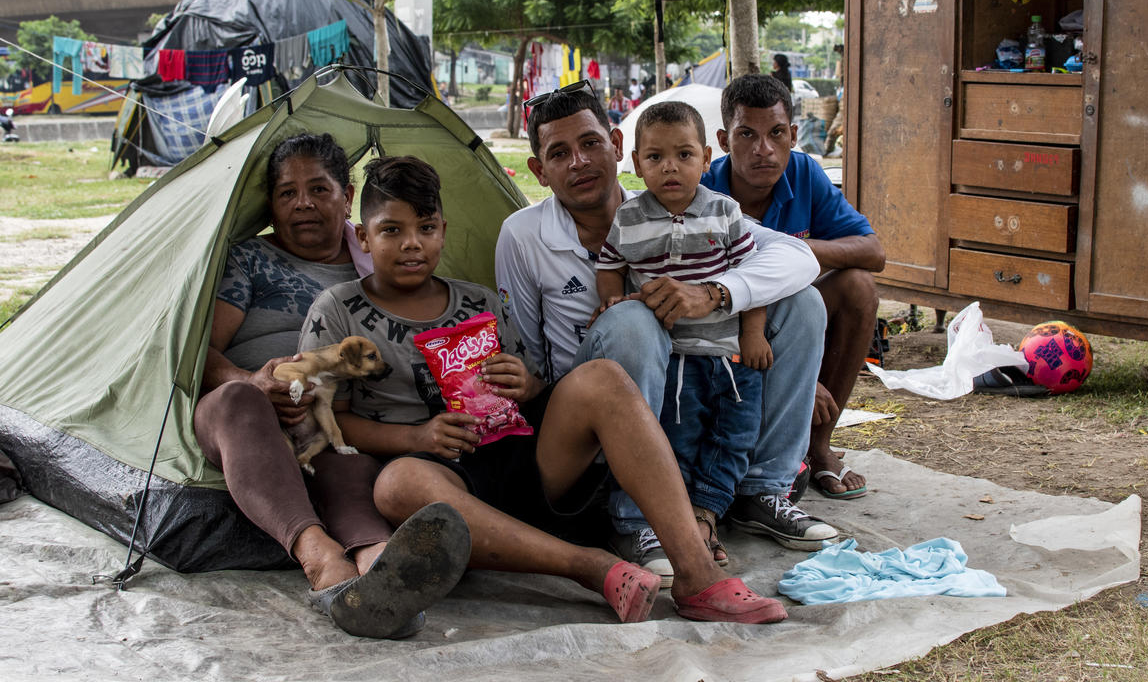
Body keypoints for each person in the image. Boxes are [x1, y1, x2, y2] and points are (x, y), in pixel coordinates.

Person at [303, 156, 787, 625]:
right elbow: (330, 423)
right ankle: (592, 567)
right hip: (438, 477)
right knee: (397, 484)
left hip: (522, 461)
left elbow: (534, 390)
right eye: (392, 230)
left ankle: (696, 575)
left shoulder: (479, 301)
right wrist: (417, 439)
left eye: (426, 228)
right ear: (363, 236)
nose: (412, 244)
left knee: (604, 378)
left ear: (443, 232)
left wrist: (527, 383)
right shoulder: (337, 308)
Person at [495, 83, 837, 587]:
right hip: (587, 405)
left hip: (695, 369)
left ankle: (763, 490)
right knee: (635, 320)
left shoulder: (676, 203)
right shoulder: (523, 235)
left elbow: (797, 258)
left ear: (616, 146)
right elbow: (527, 351)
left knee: (803, 303)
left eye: (590, 144)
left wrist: (716, 293)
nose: (579, 163)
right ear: (539, 170)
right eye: (558, 153)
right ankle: (633, 516)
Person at [195, 133, 470, 640]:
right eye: (286, 193)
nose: (302, 203)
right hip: (249, 408)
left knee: (341, 446)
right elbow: (200, 354)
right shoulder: (251, 260)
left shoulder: (381, 254)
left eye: (318, 189)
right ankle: (318, 555)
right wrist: (249, 378)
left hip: (328, 412)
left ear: (347, 196)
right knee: (240, 402)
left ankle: (380, 565)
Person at [595, 101, 771, 566]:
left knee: (735, 436)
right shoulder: (630, 219)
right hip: (674, 360)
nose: (670, 167)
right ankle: (683, 521)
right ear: (636, 164)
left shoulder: (726, 212)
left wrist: (753, 335)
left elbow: (754, 277)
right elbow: (610, 266)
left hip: (730, 357)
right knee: (681, 439)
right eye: (654, 158)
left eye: (684, 154)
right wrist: (612, 300)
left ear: (707, 157)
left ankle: (708, 512)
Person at [701, 74, 886, 499]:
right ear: (724, 139)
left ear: (793, 135)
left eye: (776, 134)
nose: (763, 149)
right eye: (747, 134)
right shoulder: (704, 189)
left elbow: (873, 252)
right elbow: (703, 298)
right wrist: (799, 377)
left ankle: (819, 446)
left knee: (858, 286)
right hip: (725, 331)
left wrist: (795, 252)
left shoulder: (804, 172)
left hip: (793, 318)